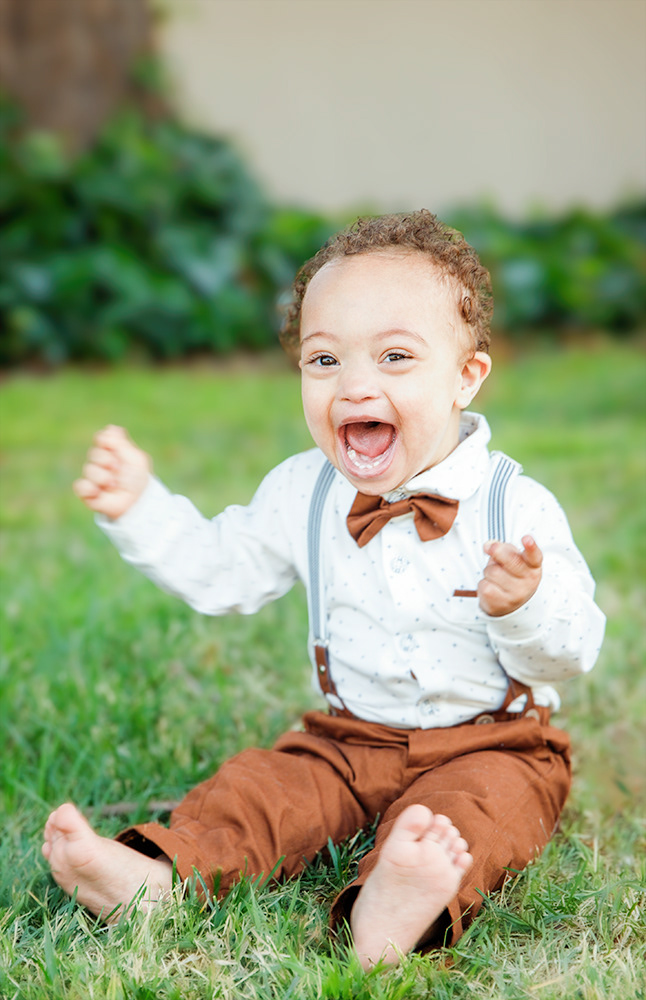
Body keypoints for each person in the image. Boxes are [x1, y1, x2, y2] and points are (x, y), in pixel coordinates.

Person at [42, 210, 605, 968]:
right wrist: (142, 508)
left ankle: (392, 909)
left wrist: (526, 604)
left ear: (466, 376)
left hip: (495, 741)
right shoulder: (305, 491)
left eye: (396, 356)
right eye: (325, 361)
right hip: (346, 739)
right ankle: (155, 877)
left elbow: (574, 650)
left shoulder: (513, 506)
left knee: (470, 816)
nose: (355, 386)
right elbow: (222, 571)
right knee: (260, 789)